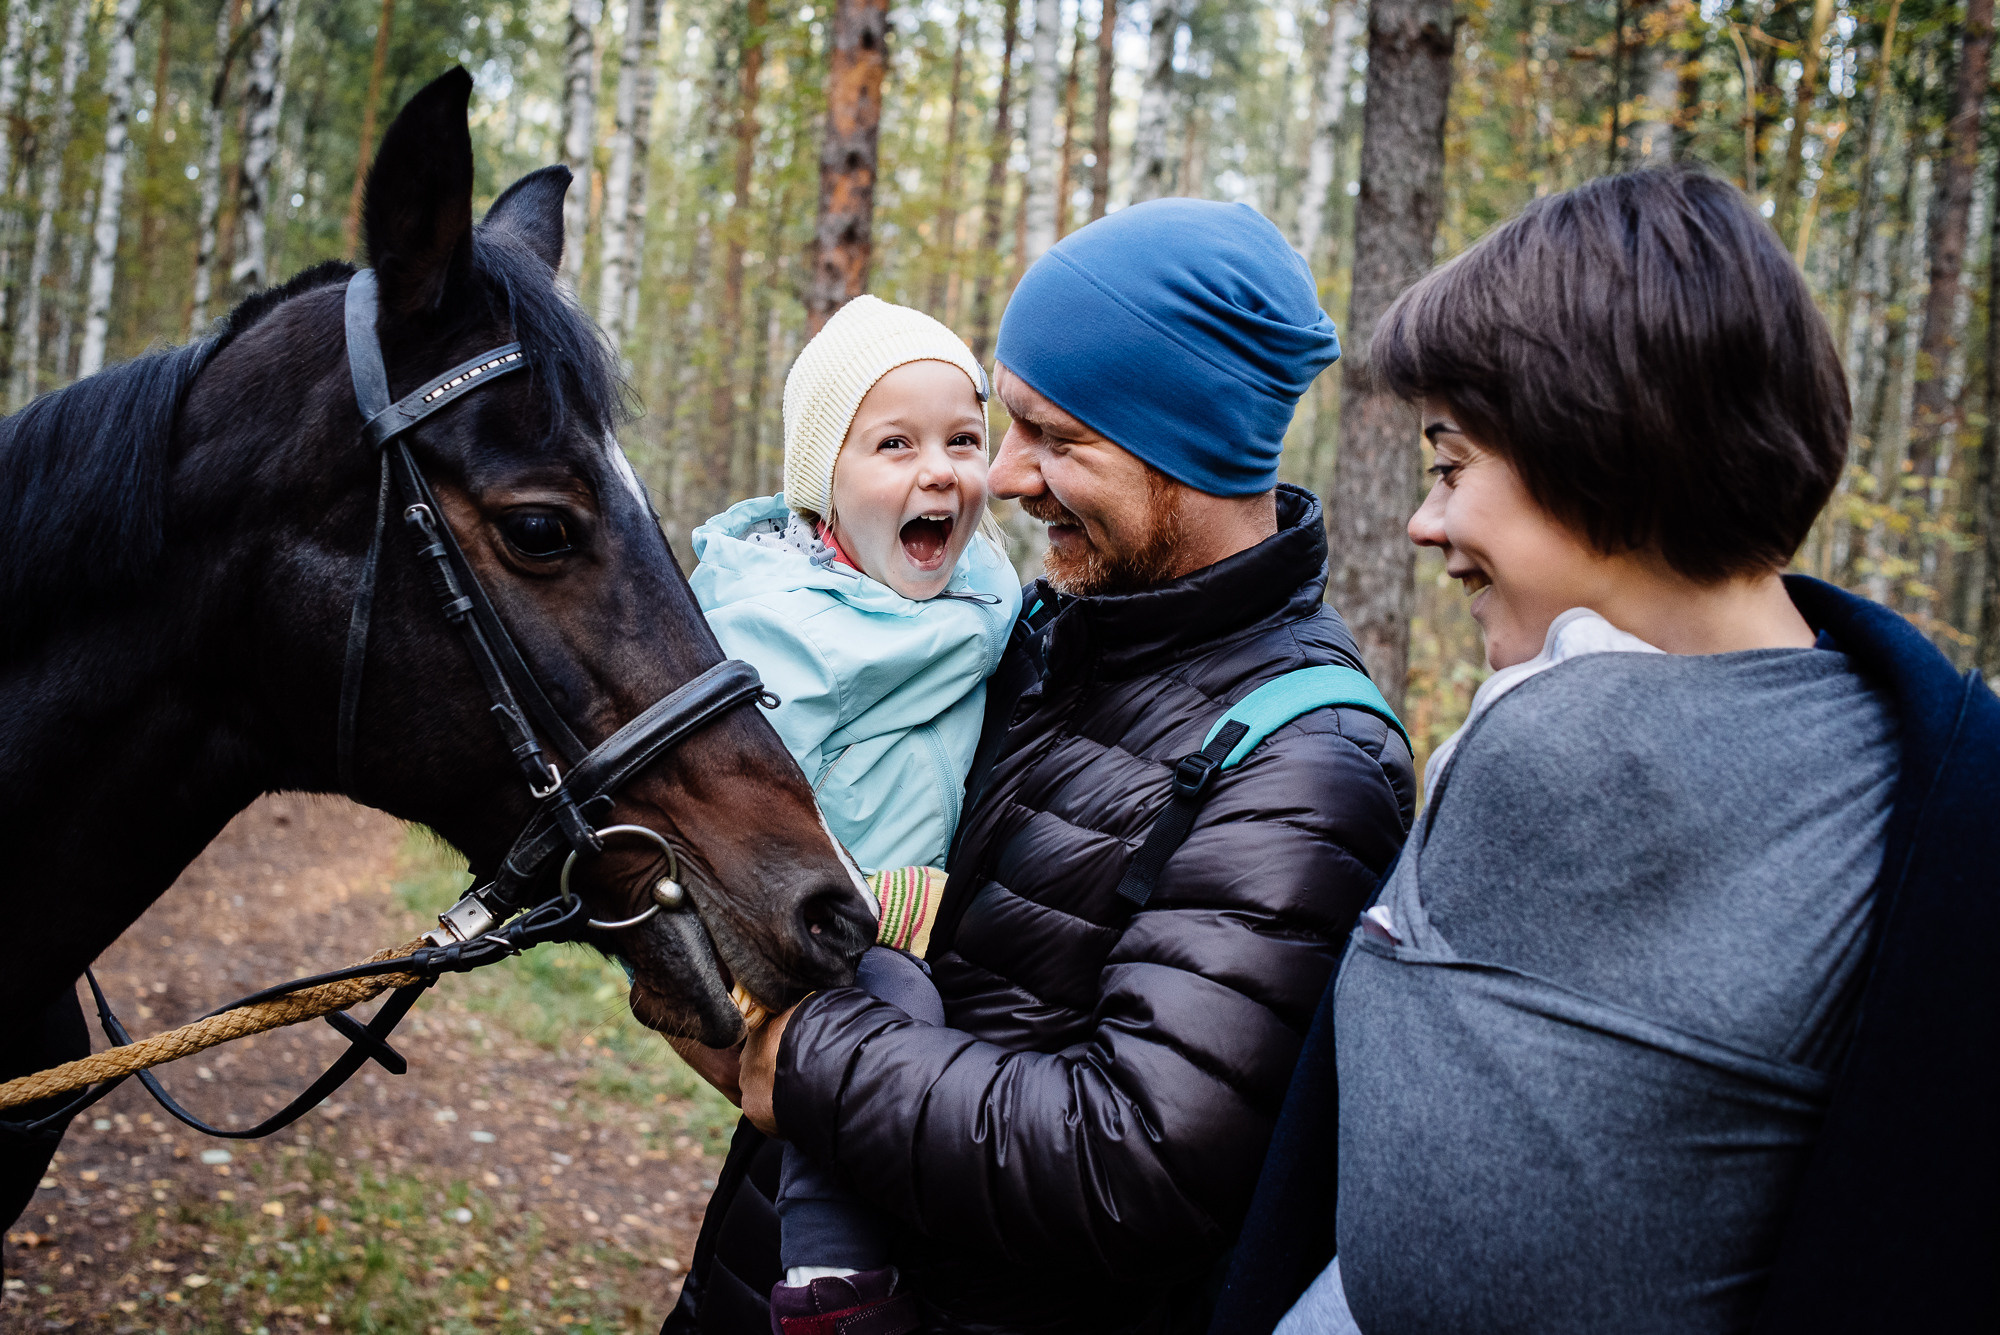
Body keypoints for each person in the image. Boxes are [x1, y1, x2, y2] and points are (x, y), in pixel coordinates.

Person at [1210, 168, 2000, 1335]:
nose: (1425, 523)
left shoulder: (1929, 832)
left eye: (1450, 466)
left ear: (1597, 438)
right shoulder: (1523, 728)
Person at [666, 198, 1416, 1335]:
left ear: (1191, 447)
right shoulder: (1032, 634)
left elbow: (1138, 1166)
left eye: (1056, 440)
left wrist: (791, 1048)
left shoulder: (1306, 761)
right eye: (1003, 426)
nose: (1003, 478)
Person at [682, 294, 1022, 1329]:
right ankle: (830, 1280)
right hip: (815, 923)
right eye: (893, 444)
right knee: (887, 1022)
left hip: (914, 913)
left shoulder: (984, 598)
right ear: (822, 486)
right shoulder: (776, 633)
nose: (939, 470)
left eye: (963, 439)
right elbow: (723, 809)